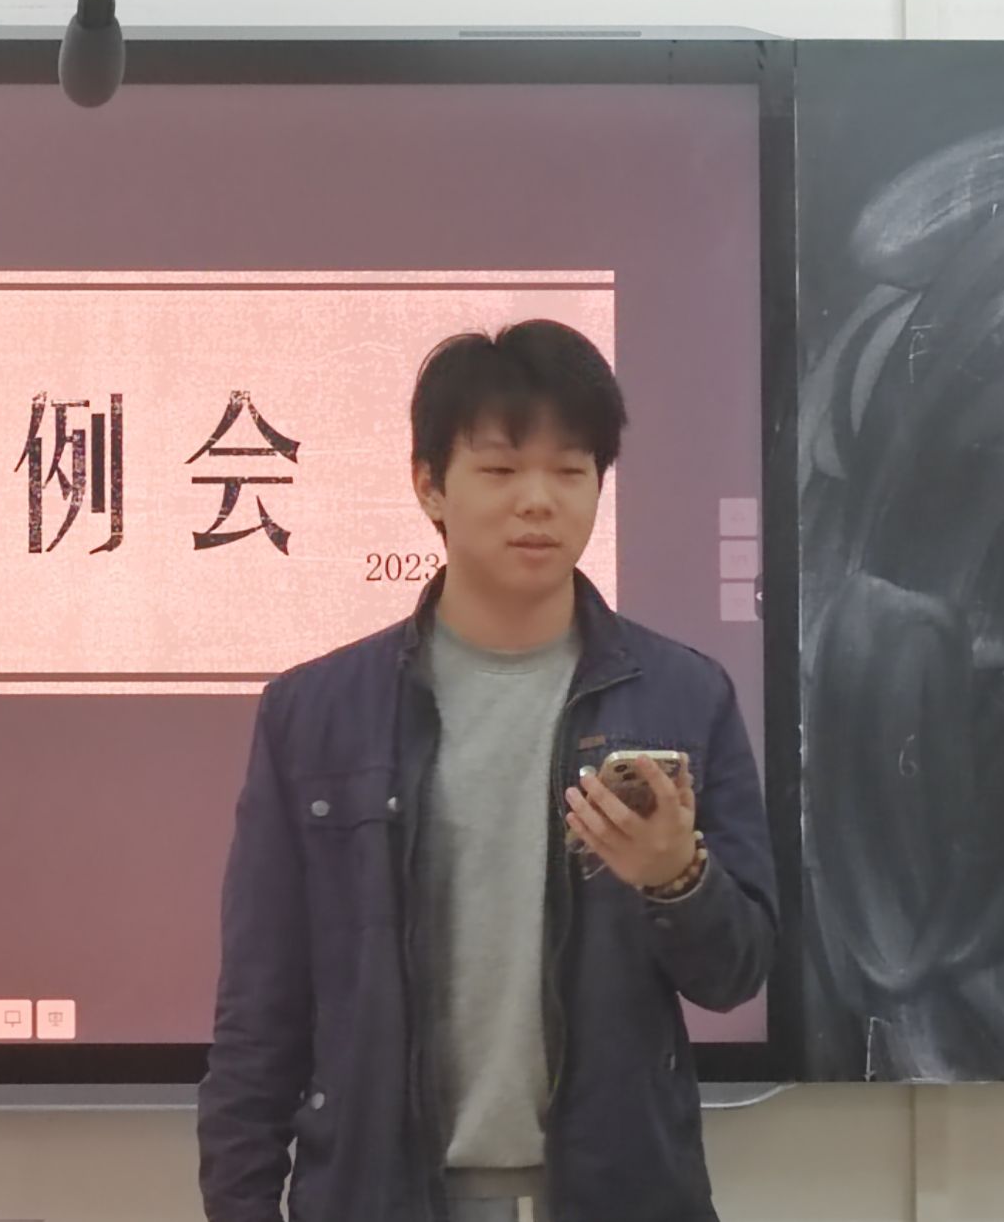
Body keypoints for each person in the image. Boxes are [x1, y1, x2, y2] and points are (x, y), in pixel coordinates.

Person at [196, 321, 778, 1222]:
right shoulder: (314, 715)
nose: (538, 501)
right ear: (429, 485)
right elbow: (259, 1013)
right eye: (501, 470)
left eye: (571, 471)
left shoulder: (683, 697)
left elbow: (737, 974)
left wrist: (677, 877)